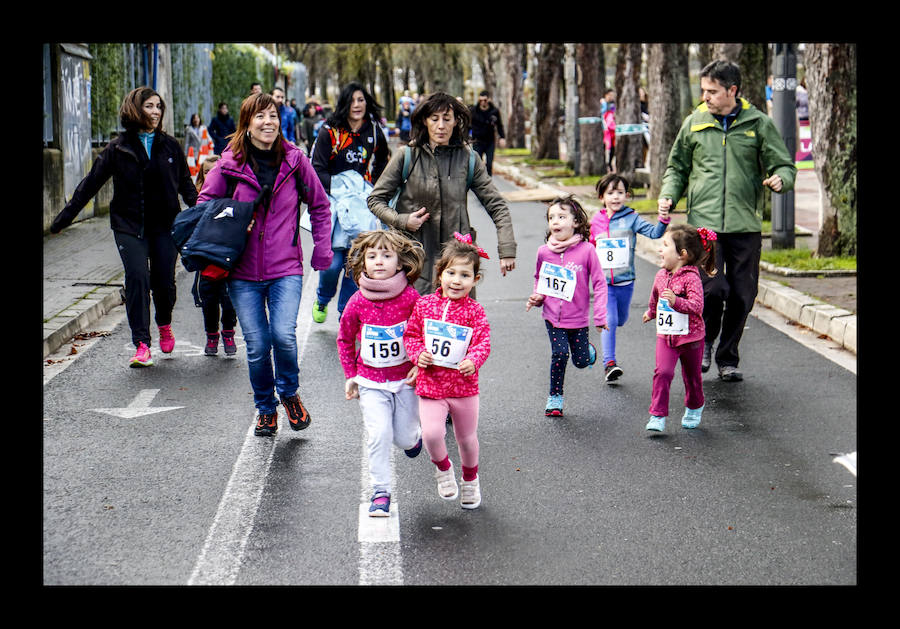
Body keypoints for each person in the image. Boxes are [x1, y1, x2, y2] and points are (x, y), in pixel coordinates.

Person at [197, 91, 333, 436]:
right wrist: (231, 219)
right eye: (260, 117)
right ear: (247, 124)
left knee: (283, 336)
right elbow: (205, 205)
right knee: (257, 346)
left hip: (286, 267)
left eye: (272, 115)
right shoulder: (230, 163)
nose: (268, 122)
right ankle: (265, 407)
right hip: (241, 271)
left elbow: (319, 205)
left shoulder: (295, 161)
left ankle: (289, 393)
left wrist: (322, 249)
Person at [658, 60, 796, 382]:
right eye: (703, 90)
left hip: (744, 223)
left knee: (742, 293)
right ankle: (705, 341)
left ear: (732, 90)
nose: (705, 96)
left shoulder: (758, 123)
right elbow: (676, 167)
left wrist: (780, 180)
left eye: (713, 91)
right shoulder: (694, 123)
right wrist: (669, 195)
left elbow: (784, 165)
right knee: (712, 288)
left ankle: (727, 357)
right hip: (703, 225)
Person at [51, 87, 197, 368]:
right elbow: (90, 185)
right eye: (149, 106)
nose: (155, 112)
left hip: (166, 226)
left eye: (158, 107)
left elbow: (186, 185)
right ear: (135, 109)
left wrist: (204, 213)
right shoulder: (118, 148)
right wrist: (62, 221)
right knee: (138, 278)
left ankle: (164, 323)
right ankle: (142, 344)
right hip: (129, 226)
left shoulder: (170, 146)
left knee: (164, 283)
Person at [367, 91, 517, 297]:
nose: (441, 125)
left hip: (457, 264)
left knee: (456, 323)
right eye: (434, 119)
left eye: (447, 119)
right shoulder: (407, 156)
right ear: (424, 121)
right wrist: (402, 220)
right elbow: (375, 199)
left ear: (456, 121)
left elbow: (497, 206)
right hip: (413, 260)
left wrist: (506, 249)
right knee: (414, 324)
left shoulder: (469, 159)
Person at [337, 229, 426, 516]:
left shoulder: (411, 299)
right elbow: (345, 338)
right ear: (363, 263)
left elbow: (424, 335)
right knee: (379, 434)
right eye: (372, 256)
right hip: (370, 382)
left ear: (399, 263)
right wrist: (351, 374)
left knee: (402, 438)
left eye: (386, 256)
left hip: (405, 382)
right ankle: (380, 492)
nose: (378, 261)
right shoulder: (357, 301)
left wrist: (417, 364)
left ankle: (414, 439)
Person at [403, 234, 492, 509]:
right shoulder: (424, 305)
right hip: (431, 386)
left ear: (474, 280)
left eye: (465, 275)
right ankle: (443, 469)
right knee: (431, 434)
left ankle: (470, 479)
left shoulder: (475, 311)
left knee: (466, 439)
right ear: (439, 274)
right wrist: (418, 354)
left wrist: (473, 360)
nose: (456, 280)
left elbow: (484, 342)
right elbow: (411, 335)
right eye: (451, 272)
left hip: (464, 387)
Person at [310, 82, 391, 323]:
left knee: (355, 262)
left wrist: (375, 187)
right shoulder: (329, 131)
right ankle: (322, 299)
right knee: (332, 265)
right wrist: (341, 189)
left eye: (361, 100)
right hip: (333, 206)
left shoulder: (374, 130)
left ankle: (345, 313)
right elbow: (317, 169)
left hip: (363, 207)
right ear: (344, 103)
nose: (357, 105)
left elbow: (383, 162)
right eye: (352, 100)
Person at [526, 196, 608, 417]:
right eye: (551, 217)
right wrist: (537, 296)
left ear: (576, 222)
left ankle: (587, 351)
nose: (555, 221)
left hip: (578, 318)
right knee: (560, 354)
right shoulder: (543, 252)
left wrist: (600, 316)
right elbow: (539, 279)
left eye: (561, 217)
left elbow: (600, 283)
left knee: (581, 362)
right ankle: (555, 398)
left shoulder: (587, 251)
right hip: (552, 316)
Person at [589, 174, 668, 383]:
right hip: (604, 284)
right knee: (611, 320)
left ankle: (614, 330)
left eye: (620, 192)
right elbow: (588, 247)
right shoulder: (596, 221)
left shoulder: (631, 217)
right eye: (610, 193)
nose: (615, 197)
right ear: (601, 197)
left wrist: (663, 219)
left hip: (625, 282)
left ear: (627, 195)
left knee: (621, 318)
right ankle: (609, 363)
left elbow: (654, 233)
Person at [641, 225, 718, 432]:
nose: (660, 250)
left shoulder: (691, 278)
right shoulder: (660, 275)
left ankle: (695, 406)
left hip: (690, 339)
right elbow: (656, 297)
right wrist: (651, 312)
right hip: (666, 336)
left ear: (682, 255)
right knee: (662, 372)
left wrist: (676, 301)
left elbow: (697, 306)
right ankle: (657, 414)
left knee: (691, 377)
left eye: (665, 245)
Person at [191, 154, 238, 357]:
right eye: (207, 173)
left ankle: (228, 332)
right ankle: (212, 335)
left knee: (229, 300)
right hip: (207, 260)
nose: (212, 177)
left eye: (215, 173)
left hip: (228, 259)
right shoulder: (200, 200)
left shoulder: (232, 197)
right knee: (209, 300)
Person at [469, 90, 506, 176]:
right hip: (477, 141)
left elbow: (499, 125)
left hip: (490, 141)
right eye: (480, 100)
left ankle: (488, 183)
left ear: (489, 99)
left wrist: (502, 137)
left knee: (489, 164)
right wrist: (466, 137)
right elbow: (468, 125)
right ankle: (479, 183)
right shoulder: (474, 111)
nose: (482, 102)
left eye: (485, 100)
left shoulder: (494, 111)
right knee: (477, 164)